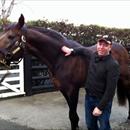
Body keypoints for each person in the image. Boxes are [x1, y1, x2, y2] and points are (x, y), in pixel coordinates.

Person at [61, 35, 120, 130]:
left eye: (105, 45)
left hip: (102, 101)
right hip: (89, 99)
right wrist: (71, 50)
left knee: (104, 127)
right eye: (100, 44)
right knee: (90, 125)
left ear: (110, 47)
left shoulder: (113, 65)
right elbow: (83, 50)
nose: (101, 47)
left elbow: (110, 91)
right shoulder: (93, 55)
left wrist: (100, 107)